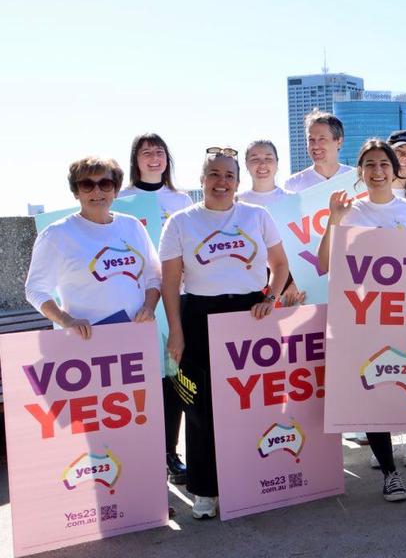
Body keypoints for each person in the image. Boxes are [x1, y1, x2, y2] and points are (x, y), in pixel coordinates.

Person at [160, 147, 292, 520]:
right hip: (199, 313)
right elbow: (170, 283)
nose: (222, 182)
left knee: (252, 402)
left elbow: (280, 265)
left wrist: (271, 297)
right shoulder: (180, 222)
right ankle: (205, 490)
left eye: (229, 176)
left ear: (238, 181)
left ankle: (252, 479)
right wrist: (176, 331)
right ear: (201, 179)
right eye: (214, 174)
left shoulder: (257, 215)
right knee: (201, 408)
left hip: (249, 314)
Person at [314, 138, 406, 502]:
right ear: (360, 172)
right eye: (369, 164)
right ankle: (389, 473)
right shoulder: (350, 212)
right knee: (372, 391)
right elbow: (325, 263)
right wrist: (334, 220)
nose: (378, 171)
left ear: (396, 168)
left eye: (384, 164)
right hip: (364, 316)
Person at [118, 132, 192, 486]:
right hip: (139, 302)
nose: (153, 158)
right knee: (139, 383)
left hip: (177, 298)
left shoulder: (180, 199)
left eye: (159, 152)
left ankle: (170, 453)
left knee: (174, 379)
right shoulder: (121, 200)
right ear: (135, 160)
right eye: (146, 153)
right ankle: (140, 458)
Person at [26, 157, 161, 337]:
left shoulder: (133, 226)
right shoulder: (56, 235)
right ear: (76, 192)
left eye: (105, 183)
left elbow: (154, 277)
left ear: (115, 189)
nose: (97, 191)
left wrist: (149, 307)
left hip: (136, 337)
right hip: (87, 344)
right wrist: (66, 321)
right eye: (87, 185)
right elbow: (35, 289)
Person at [284, 110, 353, 192]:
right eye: (311, 139)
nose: (315, 146)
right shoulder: (293, 185)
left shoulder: (356, 179)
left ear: (339, 142)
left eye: (322, 139)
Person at [237, 139, 294, 207]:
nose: (262, 164)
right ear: (246, 164)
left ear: (277, 163)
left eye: (268, 159)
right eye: (255, 159)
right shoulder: (236, 201)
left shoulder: (293, 200)